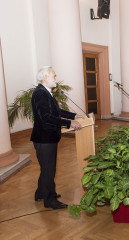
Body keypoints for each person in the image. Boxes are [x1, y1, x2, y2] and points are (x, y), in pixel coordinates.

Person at [31, 66, 82, 209]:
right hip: (44, 138)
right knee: (49, 169)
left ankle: (41, 193)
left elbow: (56, 111)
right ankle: (50, 199)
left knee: (46, 168)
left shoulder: (45, 92)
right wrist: (69, 123)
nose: (55, 78)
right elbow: (46, 117)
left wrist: (73, 116)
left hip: (46, 137)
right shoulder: (40, 93)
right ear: (45, 77)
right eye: (54, 76)